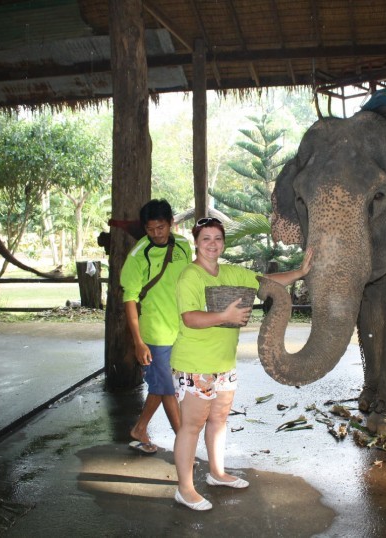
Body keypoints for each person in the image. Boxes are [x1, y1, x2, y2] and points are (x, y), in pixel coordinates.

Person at [170, 217, 313, 511]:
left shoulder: (231, 272)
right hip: (194, 364)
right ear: (196, 242)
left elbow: (267, 283)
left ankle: (218, 473)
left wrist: (299, 271)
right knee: (191, 426)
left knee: (219, 420)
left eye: (217, 239)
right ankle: (184, 489)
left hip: (224, 363)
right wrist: (225, 317)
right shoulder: (190, 277)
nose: (212, 244)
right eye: (206, 238)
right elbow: (189, 318)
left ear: (223, 243)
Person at [120, 199, 191, 454]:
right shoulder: (139, 255)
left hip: (181, 331)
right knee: (168, 388)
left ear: (171, 222)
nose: (156, 234)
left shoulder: (183, 247)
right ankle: (184, 446)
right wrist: (139, 342)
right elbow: (129, 299)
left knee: (161, 385)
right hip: (155, 332)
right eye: (150, 229)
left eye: (161, 227)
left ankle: (140, 428)